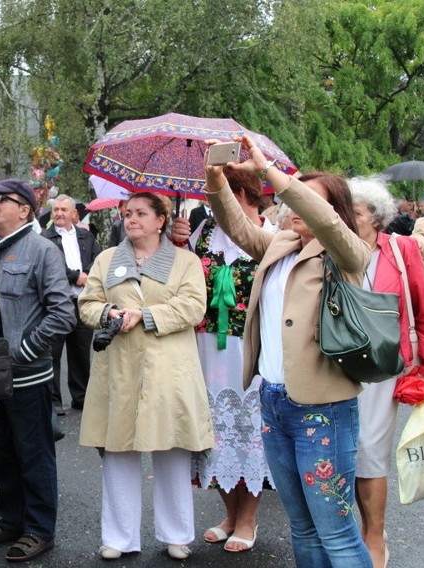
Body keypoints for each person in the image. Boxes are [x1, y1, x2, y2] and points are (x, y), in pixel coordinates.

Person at [203, 136, 372, 567]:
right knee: (303, 528)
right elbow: (237, 226)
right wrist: (215, 177)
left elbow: (331, 226)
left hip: (323, 408)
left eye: (304, 198)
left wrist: (271, 174)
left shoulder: (345, 254)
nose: (292, 204)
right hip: (273, 402)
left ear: (332, 210)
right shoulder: (280, 245)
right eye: (290, 197)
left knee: (336, 532)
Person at [77, 192, 211, 561]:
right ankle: (118, 537)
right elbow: (86, 304)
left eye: (140, 213)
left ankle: (177, 534)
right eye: (127, 213)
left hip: (168, 369)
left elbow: (193, 307)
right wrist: (110, 313)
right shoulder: (107, 259)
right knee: (118, 452)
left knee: (171, 450)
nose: (131, 218)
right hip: (118, 368)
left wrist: (146, 316)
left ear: (160, 220)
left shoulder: (185, 261)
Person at [0, 178, 75, 563]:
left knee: (33, 453)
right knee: (1, 451)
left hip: (27, 376)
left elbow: (62, 313)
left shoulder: (42, 250)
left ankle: (39, 529)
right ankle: (11, 519)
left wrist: (25, 352)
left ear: (25, 210)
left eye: (2, 199)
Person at [349, 177, 424, 568]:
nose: (346, 220)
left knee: (370, 452)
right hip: (335, 366)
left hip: (384, 368)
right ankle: (352, 530)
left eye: (353, 213)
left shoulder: (401, 251)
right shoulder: (329, 250)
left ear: (376, 217)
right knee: (343, 453)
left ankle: (373, 534)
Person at [188, 170, 274, 553]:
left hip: (251, 347)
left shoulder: (272, 235)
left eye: (217, 195)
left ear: (240, 193)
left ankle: (248, 518)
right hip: (206, 347)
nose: (211, 204)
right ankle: (228, 513)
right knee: (213, 434)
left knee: (250, 432)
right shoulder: (202, 233)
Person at [42, 194, 101, 412]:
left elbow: (99, 259)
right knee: (53, 353)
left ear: (74, 214)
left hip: (82, 301)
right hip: (57, 304)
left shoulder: (86, 237)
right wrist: (75, 276)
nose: (58, 213)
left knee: (80, 352)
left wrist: (88, 275)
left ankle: (81, 397)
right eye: (55, 209)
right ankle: (54, 401)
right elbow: (51, 266)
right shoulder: (45, 238)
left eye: (63, 210)